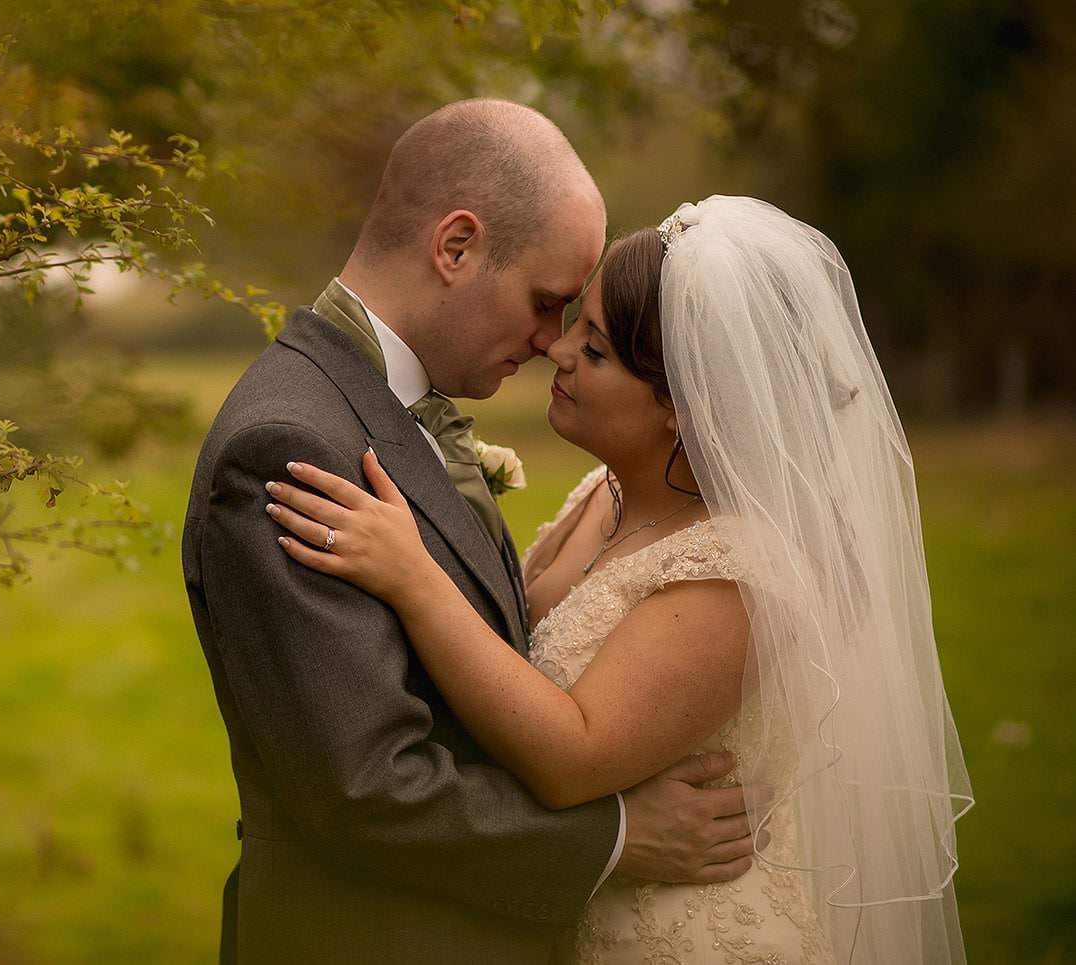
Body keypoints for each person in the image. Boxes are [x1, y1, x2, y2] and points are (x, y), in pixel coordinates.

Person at [265, 196, 973, 963]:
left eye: (595, 350)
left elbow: (575, 757)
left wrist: (413, 576)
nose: (558, 351)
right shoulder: (598, 500)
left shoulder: (735, 574)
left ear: (679, 402)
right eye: (575, 323)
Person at [181, 100, 756, 965]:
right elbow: (363, 785)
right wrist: (617, 838)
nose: (550, 343)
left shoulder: (387, 406)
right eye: (546, 302)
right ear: (455, 248)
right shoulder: (295, 441)